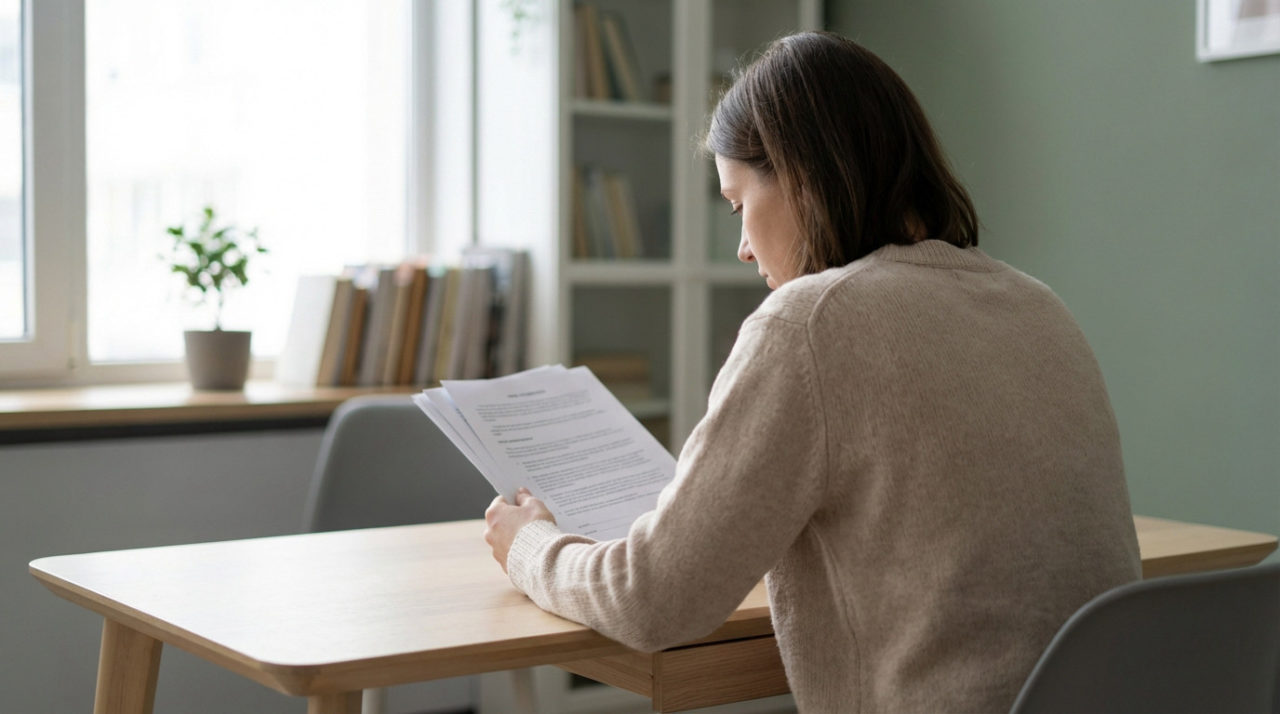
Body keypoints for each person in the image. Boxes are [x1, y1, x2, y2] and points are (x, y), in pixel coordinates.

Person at [485, 31, 1140, 713]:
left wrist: (529, 544)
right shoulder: (1038, 305)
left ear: (800, 175)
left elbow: (652, 598)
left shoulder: (810, 321)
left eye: (738, 204)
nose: (741, 247)